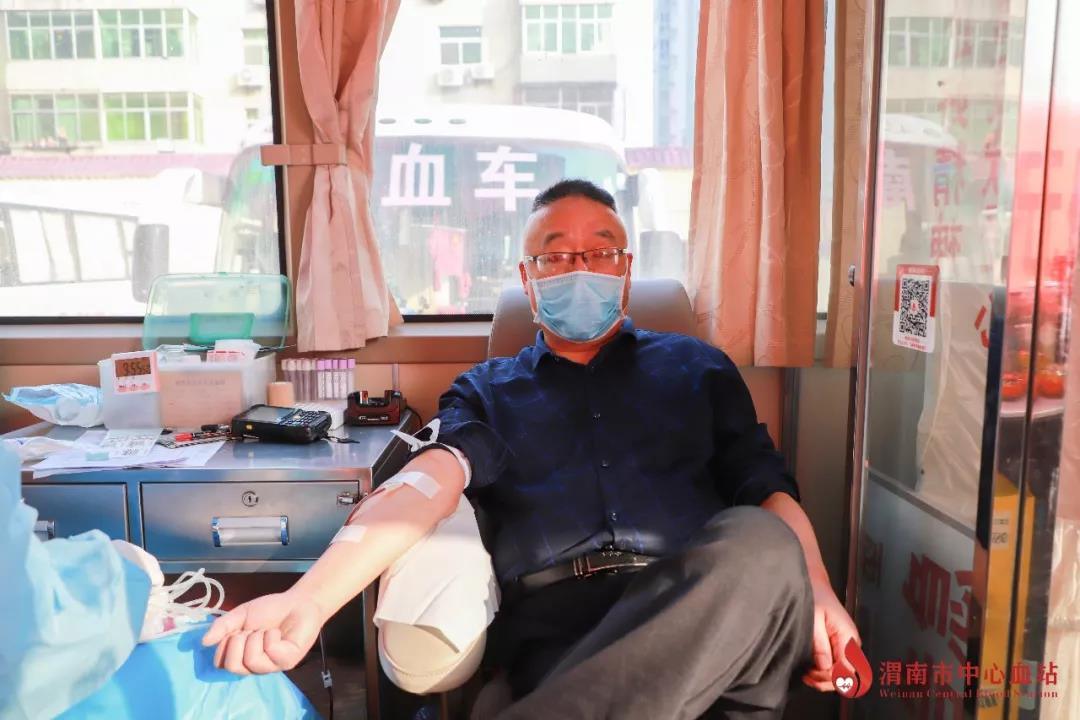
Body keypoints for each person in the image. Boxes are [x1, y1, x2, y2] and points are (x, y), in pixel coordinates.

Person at [203, 179, 861, 718]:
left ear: (626, 271)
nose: (581, 269)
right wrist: (309, 601)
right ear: (528, 276)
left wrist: (821, 594)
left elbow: (766, 488)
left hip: (711, 609)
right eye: (557, 255)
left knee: (762, 542)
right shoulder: (489, 390)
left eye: (601, 252)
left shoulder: (699, 368)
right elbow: (425, 486)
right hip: (564, 631)